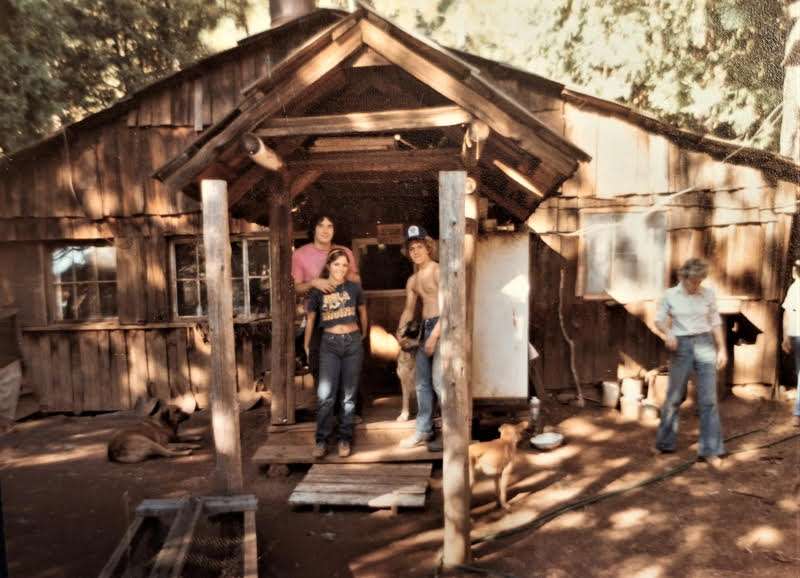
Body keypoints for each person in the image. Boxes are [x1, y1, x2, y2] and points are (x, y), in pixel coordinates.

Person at [654, 258, 728, 468]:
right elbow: (658, 319)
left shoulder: (708, 294)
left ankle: (710, 450)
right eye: (692, 281)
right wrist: (668, 332)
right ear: (683, 277)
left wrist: (722, 348)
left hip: (705, 344)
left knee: (709, 399)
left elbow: (715, 322)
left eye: (699, 281)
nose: (695, 285)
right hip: (681, 345)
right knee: (674, 397)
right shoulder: (670, 295)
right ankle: (665, 443)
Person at [304, 249, 368, 459]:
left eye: (344, 264)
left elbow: (362, 313)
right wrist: (306, 345)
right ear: (329, 266)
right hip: (329, 345)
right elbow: (311, 320)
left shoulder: (354, 287)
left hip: (352, 344)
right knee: (325, 396)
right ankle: (321, 441)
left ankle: (344, 439)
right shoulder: (318, 291)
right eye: (336, 264)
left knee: (349, 397)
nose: (340, 268)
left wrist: (362, 335)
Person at [292, 214, 360, 391]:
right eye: (320, 225)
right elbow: (297, 288)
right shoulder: (300, 255)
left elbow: (357, 281)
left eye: (330, 226)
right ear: (313, 229)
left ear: (334, 230)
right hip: (316, 317)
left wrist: (341, 274)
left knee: (348, 364)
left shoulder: (345, 252)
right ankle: (328, 409)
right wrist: (315, 282)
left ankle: (351, 411)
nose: (325, 230)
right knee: (316, 363)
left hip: (344, 312)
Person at [396, 225, 442, 450]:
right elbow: (408, 309)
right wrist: (401, 331)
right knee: (422, 383)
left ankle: (450, 432)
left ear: (428, 248)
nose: (415, 251)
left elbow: (450, 306)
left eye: (419, 247)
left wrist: (434, 336)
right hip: (425, 327)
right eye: (412, 248)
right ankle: (424, 430)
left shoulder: (437, 270)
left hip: (442, 327)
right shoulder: (412, 281)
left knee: (440, 382)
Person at [780, 259, 800, 428]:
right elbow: (787, 314)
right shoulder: (795, 288)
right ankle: (798, 413)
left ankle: (798, 414)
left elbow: (786, 314)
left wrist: (785, 337)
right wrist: (786, 337)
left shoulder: (795, 287)